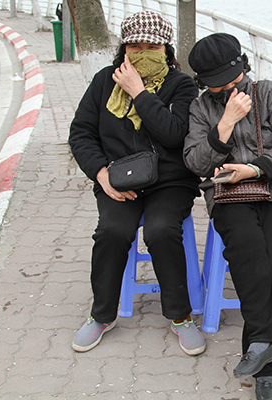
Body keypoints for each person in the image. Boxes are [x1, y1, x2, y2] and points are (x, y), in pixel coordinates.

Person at [68, 11, 205, 356]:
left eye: (152, 45)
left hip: (170, 181)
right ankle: (102, 315)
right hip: (117, 179)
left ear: (166, 49)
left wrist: (139, 92)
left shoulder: (182, 84)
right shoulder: (103, 82)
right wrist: (100, 173)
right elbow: (81, 132)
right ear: (124, 48)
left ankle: (180, 316)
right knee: (112, 232)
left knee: (160, 230)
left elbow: (174, 134)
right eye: (135, 45)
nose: (143, 51)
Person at [184, 33, 272, 400]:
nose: (229, 88)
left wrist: (253, 170)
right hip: (227, 193)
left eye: (234, 80)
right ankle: (267, 354)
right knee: (248, 251)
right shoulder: (201, 107)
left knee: (270, 264)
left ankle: (261, 352)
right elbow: (194, 163)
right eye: (219, 84)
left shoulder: (269, 93)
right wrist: (224, 124)